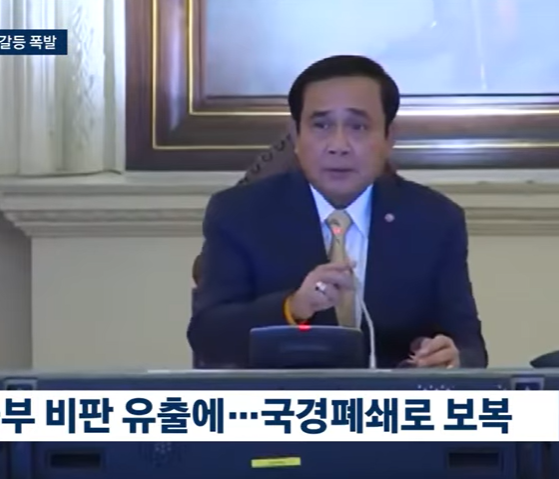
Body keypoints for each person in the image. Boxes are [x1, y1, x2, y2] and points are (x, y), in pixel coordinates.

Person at [187, 54, 488, 369]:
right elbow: (209, 337)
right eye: (321, 125)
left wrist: (453, 358)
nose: (339, 145)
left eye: (358, 126)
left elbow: (470, 346)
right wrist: (293, 307)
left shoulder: (434, 220)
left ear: (389, 137)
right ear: (296, 135)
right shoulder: (240, 214)